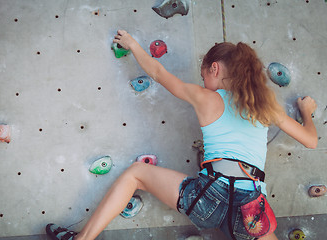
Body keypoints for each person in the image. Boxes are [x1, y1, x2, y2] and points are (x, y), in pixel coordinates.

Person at [46, 30, 317, 240]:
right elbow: (310, 140)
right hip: (249, 210)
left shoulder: (205, 98)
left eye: (204, 76)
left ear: (215, 69)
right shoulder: (266, 108)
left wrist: (131, 44)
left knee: (135, 174)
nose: (203, 84)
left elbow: (157, 72)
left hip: (207, 198)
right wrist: (306, 111)